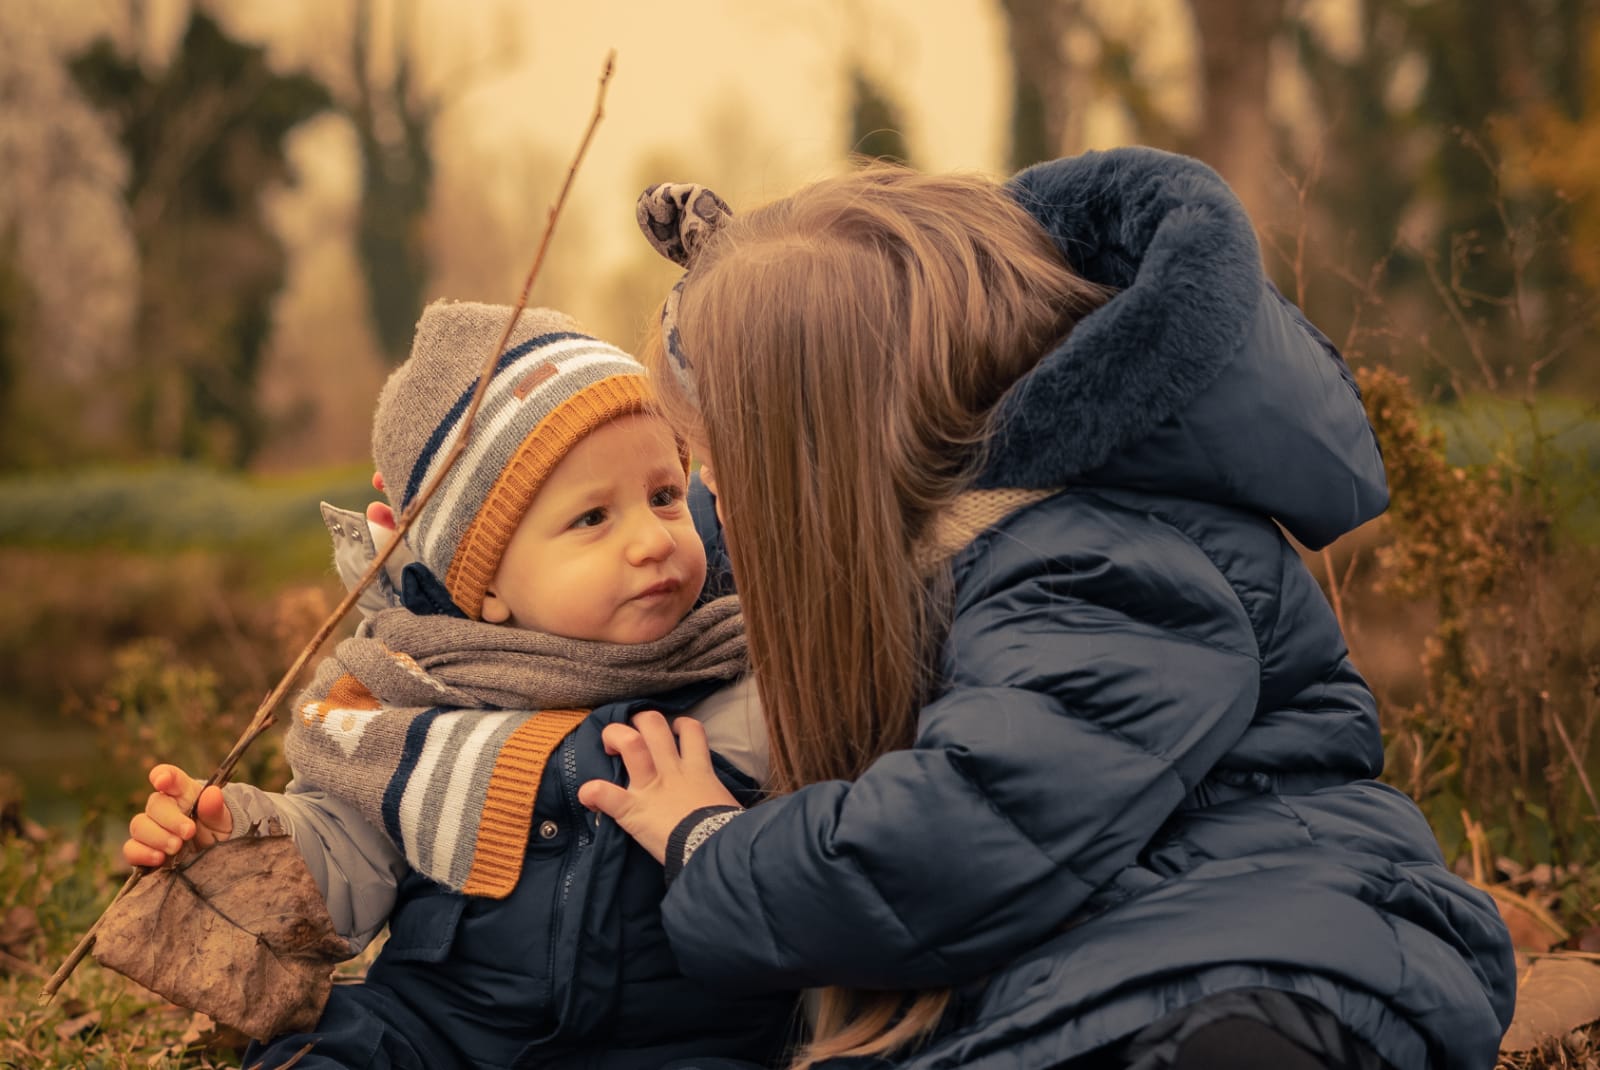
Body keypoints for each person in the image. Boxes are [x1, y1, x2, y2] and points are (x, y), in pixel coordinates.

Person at [578, 150, 1518, 1070]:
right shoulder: (969, 551)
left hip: (1257, 963)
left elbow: (950, 845)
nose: (711, 499)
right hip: (1103, 957)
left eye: (723, 463)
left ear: (832, 459)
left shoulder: (1103, 569)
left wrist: (713, 845)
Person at [122, 300, 788, 1070]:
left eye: (666, 496)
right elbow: (344, 859)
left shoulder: (745, 677)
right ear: (486, 582)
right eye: (593, 518)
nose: (652, 540)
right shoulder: (412, 700)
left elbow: (817, 857)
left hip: (676, 1041)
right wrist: (231, 840)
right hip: (449, 1030)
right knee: (330, 1047)